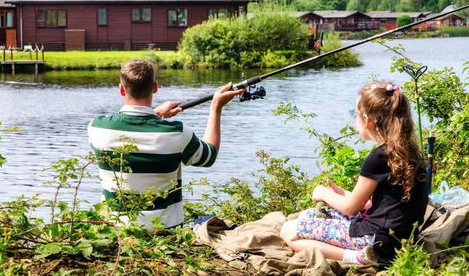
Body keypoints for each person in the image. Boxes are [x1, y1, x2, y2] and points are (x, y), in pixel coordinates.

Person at [280, 82, 429, 267]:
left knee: (289, 231)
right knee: (307, 215)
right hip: (402, 239)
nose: (354, 119)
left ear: (367, 120)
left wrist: (323, 194)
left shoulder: (378, 157)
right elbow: (380, 204)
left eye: (355, 114)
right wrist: (341, 193)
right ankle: (360, 251)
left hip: (377, 241)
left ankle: (358, 257)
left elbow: (351, 209)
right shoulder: (408, 151)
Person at [88, 59, 243, 229]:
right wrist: (216, 107)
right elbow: (208, 156)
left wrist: (156, 114)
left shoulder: (97, 127)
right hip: (164, 231)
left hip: (114, 230)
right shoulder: (177, 133)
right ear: (155, 87)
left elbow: (135, 126)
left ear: (121, 89)